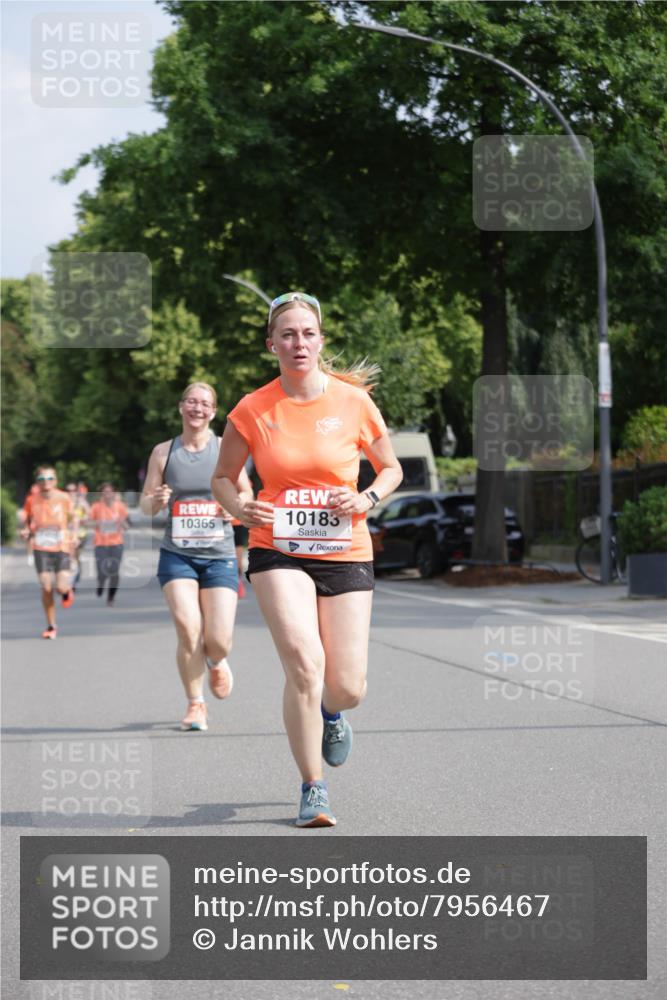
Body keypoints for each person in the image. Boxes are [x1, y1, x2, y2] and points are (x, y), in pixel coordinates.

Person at [212, 292, 402, 827]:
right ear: (271, 344)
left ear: (321, 341)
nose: (299, 343)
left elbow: (391, 469)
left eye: (308, 334)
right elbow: (222, 477)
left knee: (347, 686)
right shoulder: (252, 408)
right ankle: (312, 786)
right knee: (303, 663)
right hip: (276, 546)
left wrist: (366, 498)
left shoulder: (353, 402)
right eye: (288, 335)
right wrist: (238, 507)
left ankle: (331, 711)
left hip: (345, 548)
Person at [140, 382, 253, 732]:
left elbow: (247, 493)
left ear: (213, 412)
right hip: (178, 555)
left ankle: (216, 660)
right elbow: (145, 505)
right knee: (189, 630)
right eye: (191, 401)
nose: (197, 408)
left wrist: (234, 507)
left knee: (218, 639)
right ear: (181, 407)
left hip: (219, 555)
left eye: (205, 403)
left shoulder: (224, 448)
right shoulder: (164, 452)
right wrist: (157, 500)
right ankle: (195, 704)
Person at [20, 466, 77, 639]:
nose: (46, 482)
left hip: (61, 546)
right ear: (37, 482)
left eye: (50, 478)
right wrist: (25, 531)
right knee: (46, 588)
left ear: (56, 481)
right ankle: (51, 626)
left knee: (60, 587)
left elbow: (73, 517)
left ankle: (66, 591)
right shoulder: (31, 499)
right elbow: (27, 520)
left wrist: (74, 535)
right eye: (42, 479)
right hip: (41, 547)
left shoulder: (64, 497)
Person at [87, 484, 130, 606]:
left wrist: (122, 523)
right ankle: (101, 583)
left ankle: (111, 596)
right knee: (102, 571)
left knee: (114, 571)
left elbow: (126, 527)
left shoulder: (120, 506)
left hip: (116, 543)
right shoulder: (96, 507)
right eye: (105, 492)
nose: (107, 494)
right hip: (100, 543)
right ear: (101, 494)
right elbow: (88, 523)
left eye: (110, 492)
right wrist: (97, 523)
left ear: (114, 493)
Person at [66, 482, 91, 590]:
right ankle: (69, 579)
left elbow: (89, 515)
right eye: (68, 490)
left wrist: (82, 519)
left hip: (80, 535)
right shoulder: (64, 502)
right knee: (68, 558)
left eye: (73, 490)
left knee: (75, 557)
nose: (71, 492)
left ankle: (75, 578)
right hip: (66, 535)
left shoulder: (81, 502)